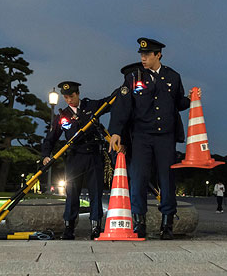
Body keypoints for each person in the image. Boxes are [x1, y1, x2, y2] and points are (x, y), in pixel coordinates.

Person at [108, 37, 195, 239]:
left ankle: (167, 224)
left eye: (147, 54)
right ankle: (140, 224)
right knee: (138, 178)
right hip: (141, 136)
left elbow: (178, 103)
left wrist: (191, 99)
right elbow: (122, 106)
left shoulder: (173, 76)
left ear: (158, 55)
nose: (143, 58)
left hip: (166, 136)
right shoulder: (133, 77)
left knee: (167, 180)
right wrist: (116, 131)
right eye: (141, 54)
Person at [41, 81, 109, 240]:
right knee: (71, 193)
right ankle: (69, 227)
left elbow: (109, 102)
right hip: (74, 157)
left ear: (78, 94)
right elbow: (50, 139)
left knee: (96, 192)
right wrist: (45, 155)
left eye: (71, 96)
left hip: (93, 155)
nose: (69, 100)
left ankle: (96, 226)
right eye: (65, 97)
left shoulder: (91, 106)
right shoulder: (61, 115)